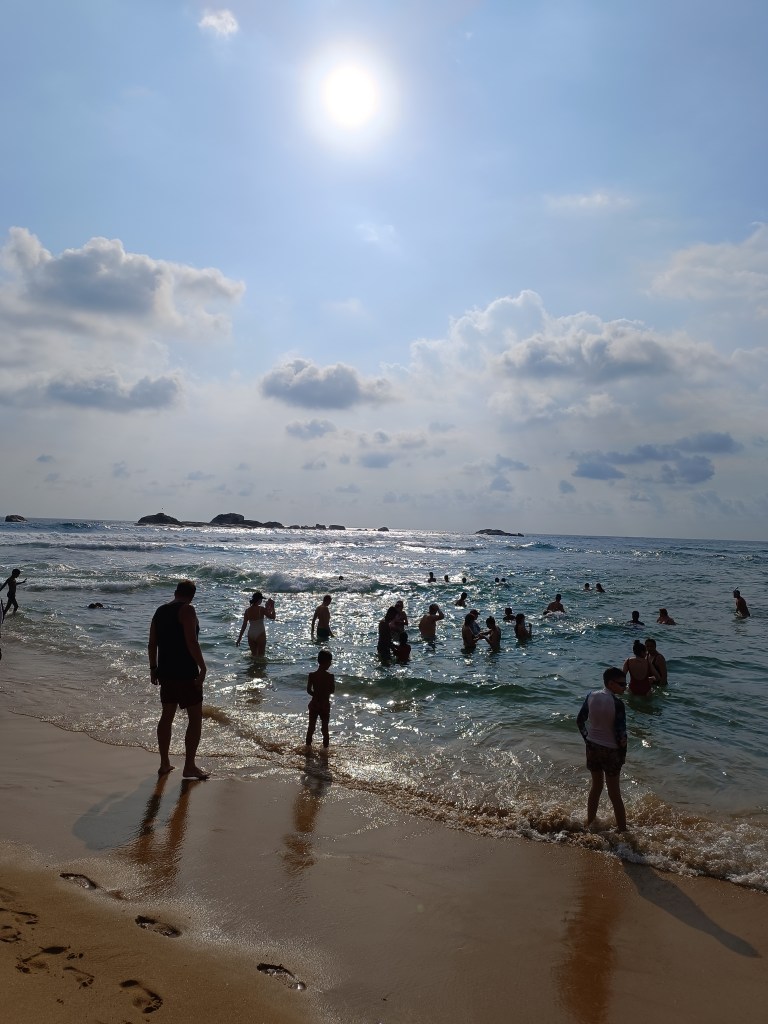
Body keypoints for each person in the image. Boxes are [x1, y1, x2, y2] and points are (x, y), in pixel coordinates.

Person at [148, 579, 209, 780]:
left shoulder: (160, 611)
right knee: (195, 718)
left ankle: (164, 763)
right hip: (185, 672)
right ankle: (189, 766)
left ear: (175, 592)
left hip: (165, 671)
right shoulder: (187, 610)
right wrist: (203, 667)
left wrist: (153, 669)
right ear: (192, 596)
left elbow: (152, 643)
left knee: (167, 716)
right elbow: (191, 641)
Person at [576, 667, 628, 832]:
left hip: (592, 746)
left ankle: (590, 822)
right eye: (622, 684)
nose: (625, 687)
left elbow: (580, 720)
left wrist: (587, 739)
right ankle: (622, 830)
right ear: (611, 684)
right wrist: (622, 755)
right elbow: (621, 735)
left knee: (596, 787)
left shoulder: (591, 695)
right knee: (614, 793)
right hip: (611, 751)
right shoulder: (618, 704)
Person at [305, 650, 335, 749]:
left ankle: (308, 747)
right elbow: (332, 690)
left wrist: (316, 694)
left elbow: (309, 690)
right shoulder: (330, 676)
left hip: (314, 703)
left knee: (311, 727)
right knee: (325, 728)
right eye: (330, 662)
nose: (330, 664)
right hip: (325, 704)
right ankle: (325, 749)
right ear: (327, 662)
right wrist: (324, 693)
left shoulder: (312, 675)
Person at [236, 591, 276, 658]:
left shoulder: (247, 611)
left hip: (251, 634)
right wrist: (273, 607)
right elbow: (273, 617)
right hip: (260, 633)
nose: (261, 601)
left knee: (254, 656)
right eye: (261, 599)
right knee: (261, 657)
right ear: (259, 600)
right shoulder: (261, 609)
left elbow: (244, 625)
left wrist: (239, 638)